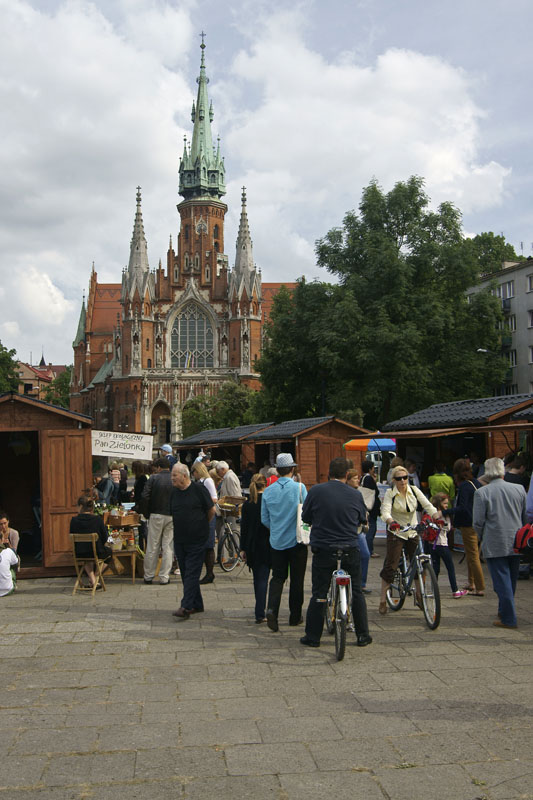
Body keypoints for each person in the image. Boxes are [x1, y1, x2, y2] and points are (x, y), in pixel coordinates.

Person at [300, 457, 371, 648]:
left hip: (323, 548)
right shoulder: (355, 494)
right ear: (347, 475)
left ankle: (313, 636)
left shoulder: (316, 491)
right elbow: (361, 519)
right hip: (349, 546)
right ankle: (363, 635)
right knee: (356, 590)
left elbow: (305, 516)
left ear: (328, 473)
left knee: (319, 592)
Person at [472, 457, 527, 629]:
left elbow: (478, 522)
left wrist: (483, 537)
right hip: (517, 539)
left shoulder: (482, 492)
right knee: (510, 581)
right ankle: (504, 611)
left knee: (501, 582)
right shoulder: (519, 489)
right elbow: (525, 516)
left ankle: (509, 618)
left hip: (495, 541)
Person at [379, 465, 440, 615]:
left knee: (419, 562)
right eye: (399, 478)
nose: (403, 481)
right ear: (394, 480)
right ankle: (382, 600)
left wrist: (437, 517)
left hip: (413, 530)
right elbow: (385, 510)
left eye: (405, 477)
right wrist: (390, 521)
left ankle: (420, 595)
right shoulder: (390, 493)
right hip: (397, 531)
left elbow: (427, 505)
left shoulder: (414, 490)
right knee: (391, 565)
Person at [261, 453, 308, 631]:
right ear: (292, 469)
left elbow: (264, 519)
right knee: (297, 580)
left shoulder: (268, 491)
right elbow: (307, 512)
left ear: (278, 471)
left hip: (276, 541)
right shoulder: (299, 488)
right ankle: (295, 616)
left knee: (278, 577)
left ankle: (272, 609)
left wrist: (276, 528)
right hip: (297, 540)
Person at [170, 463, 214, 619]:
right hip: (180, 539)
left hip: (197, 539)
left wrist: (202, 526)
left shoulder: (198, 489)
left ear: (184, 475)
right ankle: (198, 604)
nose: (172, 478)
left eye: (175, 475)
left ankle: (186, 606)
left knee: (191, 573)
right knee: (186, 573)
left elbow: (211, 510)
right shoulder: (174, 492)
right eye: (172, 475)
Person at [240, 473, 271, 623]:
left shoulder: (247, 504)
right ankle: (263, 611)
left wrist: (242, 548)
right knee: (264, 579)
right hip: (267, 543)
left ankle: (259, 611)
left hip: (252, 545)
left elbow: (244, 528)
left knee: (257, 579)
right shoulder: (269, 501)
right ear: (265, 484)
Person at [451, 458, 484, 596]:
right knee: (471, 554)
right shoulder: (476, 482)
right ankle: (471, 583)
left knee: (473, 556)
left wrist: (446, 512)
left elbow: (462, 507)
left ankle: (480, 587)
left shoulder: (464, 486)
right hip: (478, 523)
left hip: (468, 524)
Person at [141, 457, 174, 585]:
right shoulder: (173, 478)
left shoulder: (153, 478)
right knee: (168, 546)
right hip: (171, 515)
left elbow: (144, 496)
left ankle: (148, 575)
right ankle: (164, 576)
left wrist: (146, 513)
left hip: (155, 514)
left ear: (158, 467)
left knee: (152, 546)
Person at [427, 493, 467, 597]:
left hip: (432, 545)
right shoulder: (443, 515)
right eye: (444, 503)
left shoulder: (431, 513)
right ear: (439, 503)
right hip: (442, 544)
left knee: (435, 568)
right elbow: (447, 528)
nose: (446, 506)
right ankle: (455, 590)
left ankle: (433, 591)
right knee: (450, 568)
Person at [69, 494, 111, 590]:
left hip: (79, 552)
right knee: (109, 552)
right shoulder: (97, 519)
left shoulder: (74, 520)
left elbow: (71, 535)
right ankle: (95, 578)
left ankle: (92, 579)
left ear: (80, 506)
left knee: (87, 557)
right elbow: (105, 537)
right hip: (96, 551)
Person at [191, 461, 218, 585]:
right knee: (204, 545)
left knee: (208, 545)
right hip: (201, 515)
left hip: (209, 514)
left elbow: (214, 498)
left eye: (193, 472)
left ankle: (209, 573)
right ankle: (207, 572)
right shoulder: (200, 482)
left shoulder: (207, 481)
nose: (193, 474)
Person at [346, 470, 371, 593]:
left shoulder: (358, 493)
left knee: (365, 554)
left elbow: (363, 510)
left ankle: (362, 583)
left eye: (358, 478)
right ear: (348, 480)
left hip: (358, 530)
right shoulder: (346, 493)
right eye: (355, 478)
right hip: (347, 531)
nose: (358, 480)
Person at [360, 460, 381, 558]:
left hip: (368, 508)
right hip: (371, 508)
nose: (374, 470)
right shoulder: (368, 479)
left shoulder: (363, 478)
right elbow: (374, 492)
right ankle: (369, 550)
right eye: (373, 468)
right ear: (369, 469)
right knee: (371, 529)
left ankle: (368, 549)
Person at [132, 461, 149, 550]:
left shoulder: (143, 478)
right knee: (140, 527)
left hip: (141, 506)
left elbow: (143, 493)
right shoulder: (138, 478)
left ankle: (145, 546)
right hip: (138, 504)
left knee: (143, 527)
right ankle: (141, 547)